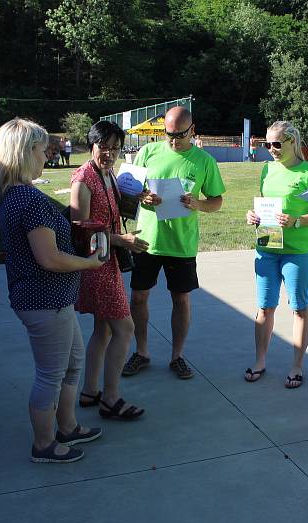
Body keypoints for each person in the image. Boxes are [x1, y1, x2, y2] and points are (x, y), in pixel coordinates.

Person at [0, 118, 103, 463]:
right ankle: (44, 444)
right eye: (42, 150)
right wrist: (90, 263)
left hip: (53, 300)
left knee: (72, 363)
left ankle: (66, 426)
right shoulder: (29, 199)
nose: (47, 155)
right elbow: (50, 259)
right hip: (45, 301)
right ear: (26, 153)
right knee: (51, 375)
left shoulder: (16, 194)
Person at [123, 106, 226, 379]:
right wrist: (141, 196)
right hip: (147, 239)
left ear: (192, 130)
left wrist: (198, 204)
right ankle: (141, 351)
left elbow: (217, 201)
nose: (173, 140)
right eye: (168, 134)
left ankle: (177, 356)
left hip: (181, 243)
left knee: (181, 299)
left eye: (179, 134)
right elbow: (127, 189)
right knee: (138, 297)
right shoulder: (148, 152)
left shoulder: (204, 161)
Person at [70, 121, 148, 419]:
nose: (110, 153)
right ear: (92, 144)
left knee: (103, 329)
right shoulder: (83, 179)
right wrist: (122, 240)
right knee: (125, 328)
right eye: (105, 147)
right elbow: (81, 233)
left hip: (107, 260)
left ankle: (91, 391)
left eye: (116, 148)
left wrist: (133, 201)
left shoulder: (107, 173)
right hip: (96, 265)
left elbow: (112, 213)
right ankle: (111, 398)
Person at [243, 121, 308, 388]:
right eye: (267, 144)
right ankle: (260, 361)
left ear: (292, 142)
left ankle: (297, 365)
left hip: (298, 252)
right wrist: (253, 216)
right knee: (264, 307)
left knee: (299, 308)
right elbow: (263, 201)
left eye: (276, 144)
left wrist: (297, 221)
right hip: (267, 248)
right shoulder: (267, 170)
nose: (271, 149)